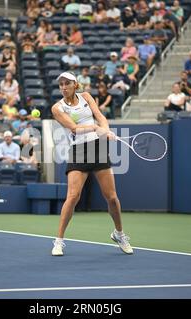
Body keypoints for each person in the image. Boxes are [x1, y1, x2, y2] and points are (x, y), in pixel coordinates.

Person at [50, 71, 133, 256]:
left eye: (67, 83)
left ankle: (119, 234)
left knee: (111, 197)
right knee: (73, 196)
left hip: (98, 148)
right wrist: (96, 128)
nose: (63, 87)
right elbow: (73, 128)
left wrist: (106, 129)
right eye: (61, 84)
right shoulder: (57, 108)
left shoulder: (86, 97)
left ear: (75, 84)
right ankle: (58, 241)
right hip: (78, 151)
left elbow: (100, 116)